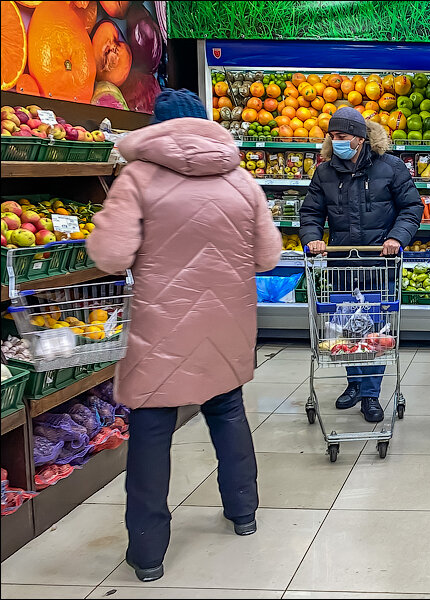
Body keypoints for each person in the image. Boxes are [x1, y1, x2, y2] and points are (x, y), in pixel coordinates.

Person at [86, 88, 282, 583]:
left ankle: (149, 553)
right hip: (226, 324)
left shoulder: (137, 178)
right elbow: (268, 258)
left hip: (162, 329)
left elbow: (109, 256)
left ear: (156, 129)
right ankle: (243, 513)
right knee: (228, 414)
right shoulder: (242, 181)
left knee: (152, 435)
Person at [298, 107, 423, 422]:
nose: (336, 142)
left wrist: (397, 238)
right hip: (343, 263)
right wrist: (312, 238)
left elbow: (411, 207)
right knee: (349, 328)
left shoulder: (391, 167)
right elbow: (311, 213)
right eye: (333, 137)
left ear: (360, 137)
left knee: (376, 329)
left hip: (380, 264)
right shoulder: (324, 172)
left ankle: (370, 394)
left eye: (342, 137)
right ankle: (354, 383)